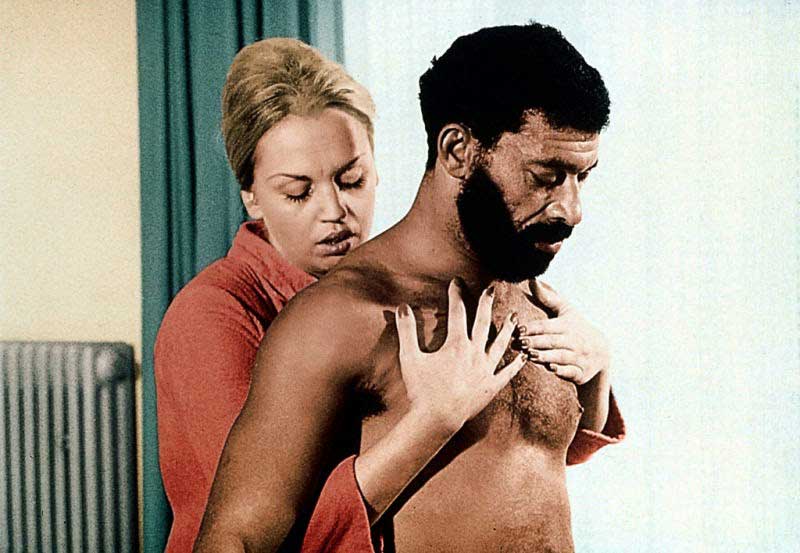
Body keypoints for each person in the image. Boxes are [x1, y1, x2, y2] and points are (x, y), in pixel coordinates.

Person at [195, 22, 625, 553]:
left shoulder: (533, 298)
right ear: (457, 150)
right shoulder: (341, 317)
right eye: (545, 177)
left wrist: (597, 372)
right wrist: (430, 421)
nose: (572, 210)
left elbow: (525, 461)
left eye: (583, 177)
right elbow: (233, 540)